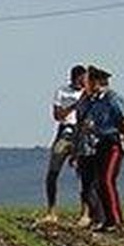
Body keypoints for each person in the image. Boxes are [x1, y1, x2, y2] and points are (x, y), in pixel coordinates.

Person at [76, 66, 124, 232]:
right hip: (100, 143)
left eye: (89, 81)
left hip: (114, 142)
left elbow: (123, 121)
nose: (86, 84)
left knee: (106, 180)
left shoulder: (112, 98)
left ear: (97, 82)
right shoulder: (93, 101)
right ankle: (107, 220)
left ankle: (115, 220)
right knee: (99, 183)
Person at [42, 64, 88, 225]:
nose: (84, 82)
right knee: (53, 171)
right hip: (65, 131)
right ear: (76, 78)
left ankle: (85, 212)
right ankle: (51, 210)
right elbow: (57, 115)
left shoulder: (88, 93)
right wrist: (74, 105)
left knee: (84, 175)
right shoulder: (62, 91)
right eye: (82, 79)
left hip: (82, 133)